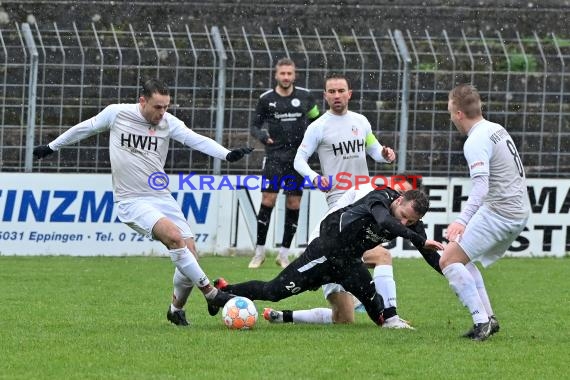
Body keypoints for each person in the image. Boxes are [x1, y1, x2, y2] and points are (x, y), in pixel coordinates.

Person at [32, 78, 252, 326]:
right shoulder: (117, 114)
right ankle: (211, 293)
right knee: (174, 238)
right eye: (157, 107)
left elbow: (195, 139)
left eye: (166, 107)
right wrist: (51, 147)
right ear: (142, 101)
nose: (162, 113)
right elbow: (84, 128)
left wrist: (226, 154)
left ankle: (175, 309)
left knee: (189, 254)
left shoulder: (168, 123)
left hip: (161, 197)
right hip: (131, 200)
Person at [213, 188, 444, 327]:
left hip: (348, 263)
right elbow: (385, 221)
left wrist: (450, 271)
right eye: (404, 217)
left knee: (376, 309)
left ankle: (391, 322)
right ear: (399, 200)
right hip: (324, 253)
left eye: (411, 222)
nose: (405, 224)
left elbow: (429, 254)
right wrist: (419, 238)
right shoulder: (380, 198)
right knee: (273, 292)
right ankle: (222, 293)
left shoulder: (411, 222)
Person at [293, 73, 415, 328]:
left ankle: (389, 316)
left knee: (381, 256)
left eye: (341, 91)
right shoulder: (318, 127)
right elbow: (299, 160)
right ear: (325, 95)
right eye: (331, 91)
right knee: (345, 318)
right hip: (340, 204)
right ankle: (287, 315)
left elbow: (373, 149)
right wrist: (315, 178)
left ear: (350, 94)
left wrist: (384, 154)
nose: (336, 96)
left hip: (365, 199)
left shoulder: (360, 122)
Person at [439, 84, 530, 341]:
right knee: (461, 259)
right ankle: (488, 318)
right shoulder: (495, 129)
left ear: (458, 113)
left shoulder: (475, 140)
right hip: (514, 209)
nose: (449, 116)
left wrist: (461, 221)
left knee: (448, 260)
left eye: (449, 110)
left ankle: (482, 323)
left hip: (501, 213)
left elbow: (481, 185)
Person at [248, 58, 320, 269]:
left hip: (298, 160)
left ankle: (284, 254)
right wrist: (261, 135)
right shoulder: (266, 99)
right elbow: (254, 125)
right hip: (275, 158)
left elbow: (318, 121)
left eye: (290, 73)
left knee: (293, 204)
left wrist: (313, 141)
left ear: (294, 75)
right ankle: (259, 252)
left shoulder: (305, 97)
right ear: (276, 75)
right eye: (283, 74)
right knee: (268, 200)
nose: (286, 77)